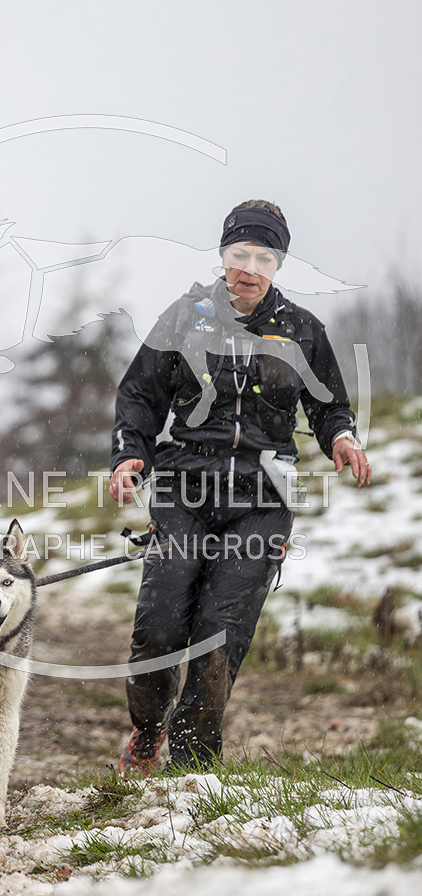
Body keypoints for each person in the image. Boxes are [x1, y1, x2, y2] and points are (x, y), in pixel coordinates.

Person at [109, 199, 371, 775]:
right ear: (224, 254)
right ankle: (148, 731)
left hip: (262, 501)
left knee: (219, 636)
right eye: (241, 254)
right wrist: (129, 456)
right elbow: (140, 397)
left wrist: (342, 438)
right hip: (184, 490)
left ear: (279, 264)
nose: (250, 268)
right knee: (159, 628)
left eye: (264, 258)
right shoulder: (184, 318)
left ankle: (193, 771)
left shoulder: (303, 330)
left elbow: (329, 406)